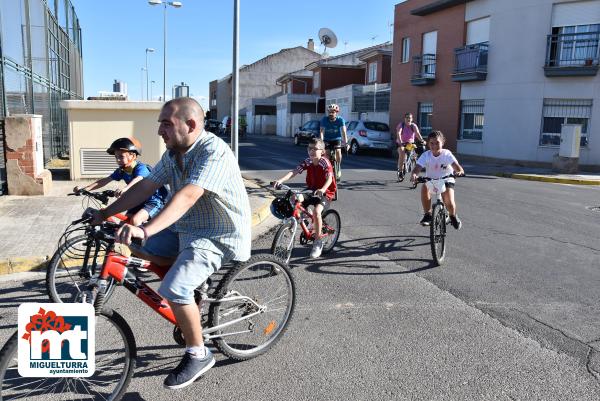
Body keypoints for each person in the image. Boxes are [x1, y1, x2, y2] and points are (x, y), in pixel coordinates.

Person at [88, 97, 251, 389]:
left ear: (190, 125)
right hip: (185, 228)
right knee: (137, 250)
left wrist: (146, 228)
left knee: (174, 288)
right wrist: (105, 214)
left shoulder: (213, 151)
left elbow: (188, 195)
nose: (159, 131)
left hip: (217, 233)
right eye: (159, 124)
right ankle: (192, 294)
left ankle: (199, 353)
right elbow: (146, 187)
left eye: (166, 123)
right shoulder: (173, 154)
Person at [74, 137, 169, 226]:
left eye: (121, 157)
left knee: (136, 220)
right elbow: (104, 181)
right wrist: (85, 188)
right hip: (138, 200)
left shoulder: (141, 168)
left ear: (133, 156)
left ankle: (148, 242)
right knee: (123, 224)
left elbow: (139, 178)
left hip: (154, 201)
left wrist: (125, 189)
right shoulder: (122, 170)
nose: (118, 160)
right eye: (116, 157)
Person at [272, 137, 336, 259]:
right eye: (309, 148)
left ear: (322, 151)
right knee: (294, 199)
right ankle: (305, 217)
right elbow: (295, 171)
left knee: (317, 211)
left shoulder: (324, 162)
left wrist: (322, 189)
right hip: (312, 190)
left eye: (314, 149)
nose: (311, 151)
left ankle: (318, 241)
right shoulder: (308, 161)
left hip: (326, 192)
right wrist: (280, 180)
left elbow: (329, 178)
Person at [411, 130, 465, 230]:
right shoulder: (426, 155)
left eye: (437, 143)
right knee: (424, 188)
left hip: (446, 179)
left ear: (443, 143)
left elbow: (457, 167)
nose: (434, 146)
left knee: (449, 203)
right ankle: (428, 214)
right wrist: (414, 175)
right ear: (428, 144)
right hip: (431, 180)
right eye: (432, 143)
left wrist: (459, 172)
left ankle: (452, 216)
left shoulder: (446, 154)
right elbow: (417, 167)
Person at [319, 103, 348, 180]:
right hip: (327, 139)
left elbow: (344, 132)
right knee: (327, 154)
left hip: (336, 139)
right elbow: (322, 132)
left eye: (333, 112)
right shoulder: (324, 120)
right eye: (329, 112)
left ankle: (338, 167)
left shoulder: (340, 120)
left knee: (338, 151)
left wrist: (346, 143)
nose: (331, 113)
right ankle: (328, 168)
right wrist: (321, 143)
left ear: (336, 112)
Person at [396, 113, 424, 180]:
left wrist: (422, 141)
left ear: (412, 119)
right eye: (407, 117)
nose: (408, 119)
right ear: (404, 118)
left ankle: (414, 162)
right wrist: (401, 142)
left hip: (411, 144)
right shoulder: (401, 125)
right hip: (401, 143)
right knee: (402, 153)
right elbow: (398, 133)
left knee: (417, 151)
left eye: (410, 118)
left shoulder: (413, 126)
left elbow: (417, 134)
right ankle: (400, 171)